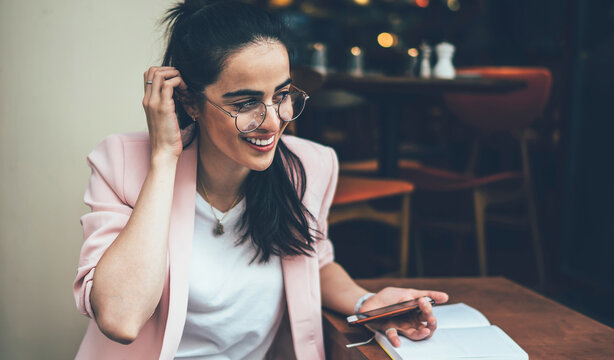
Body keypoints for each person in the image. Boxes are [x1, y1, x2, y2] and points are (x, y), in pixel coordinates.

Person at [72, 1, 449, 359]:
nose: (272, 122)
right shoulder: (122, 163)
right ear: (188, 103)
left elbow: (312, 261)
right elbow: (120, 318)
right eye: (245, 103)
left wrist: (365, 302)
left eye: (281, 95)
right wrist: (163, 159)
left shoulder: (309, 166)